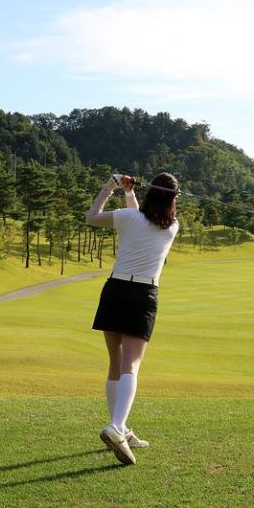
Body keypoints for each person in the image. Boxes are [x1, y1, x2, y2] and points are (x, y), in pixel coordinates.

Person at [86, 172, 180, 465]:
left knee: (116, 361)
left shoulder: (128, 217)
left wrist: (112, 185)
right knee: (131, 364)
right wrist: (129, 193)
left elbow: (93, 216)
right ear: (173, 200)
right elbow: (143, 219)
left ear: (150, 193)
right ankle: (116, 427)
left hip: (115, 289)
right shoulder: (172, 226)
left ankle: (121, 428)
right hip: (143, 294)